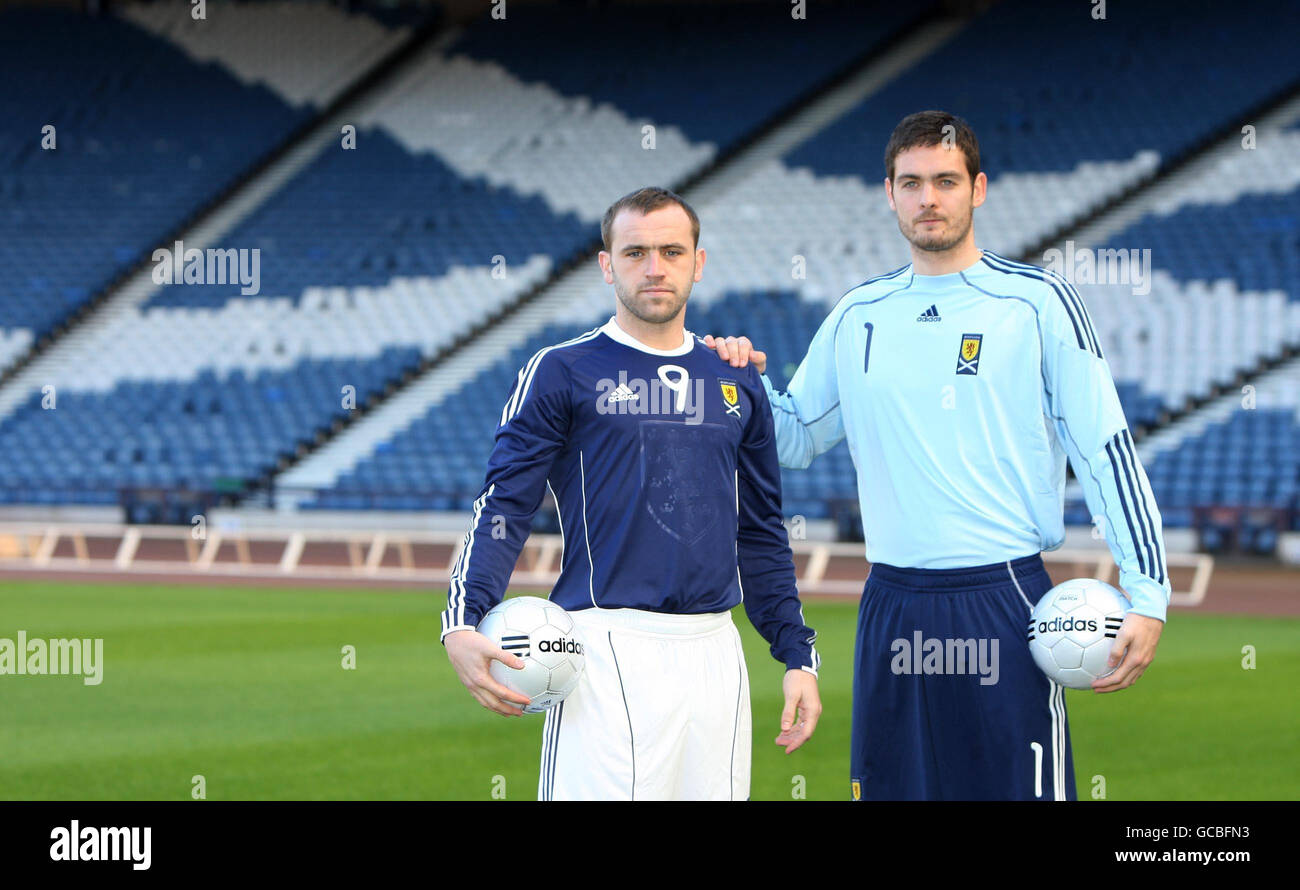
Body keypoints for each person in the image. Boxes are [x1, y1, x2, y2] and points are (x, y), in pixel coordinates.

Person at [705, 110, 1169, 800]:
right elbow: (796, 435)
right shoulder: (859, 313)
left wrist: (1149, 589)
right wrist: (737, 379)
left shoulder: (1036, 303)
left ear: (977, 189)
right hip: (891, 600)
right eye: (912, 182)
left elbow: (1105, 448)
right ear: (889, 194)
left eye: (946, 181)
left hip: (1003, 599)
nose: (929, 198)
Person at [442, 186, 822, 801]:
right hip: (604, 645)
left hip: (715, 652)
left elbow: (760, 529)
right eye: (635, 252)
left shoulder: (736, 377)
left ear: (698, 263)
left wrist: (796, 655)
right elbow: (505, 506)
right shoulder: (562, 370)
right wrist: (461, 622)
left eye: (672, 251)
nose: (654, 267)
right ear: (606, 264)